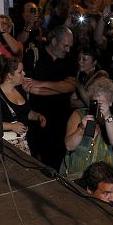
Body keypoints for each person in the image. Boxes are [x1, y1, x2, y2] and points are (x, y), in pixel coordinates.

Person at [22, 25, 76, 170]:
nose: (68, 49)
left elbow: (71, 86)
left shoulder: (69, 59)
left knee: (56, 160)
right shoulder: (33, 55)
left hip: (61, 119)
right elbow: (30, 88)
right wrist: (60, 88)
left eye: (70, 46)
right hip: (37, 118)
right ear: (53, 41)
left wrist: (43, 84)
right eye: (65, 45)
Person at [62, 76, 113, 180]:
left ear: (110, 103)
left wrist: (107, 117)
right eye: (95, 103)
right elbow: (69, 146)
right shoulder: (78, 115)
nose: (99, 107)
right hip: (76, 176)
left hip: (102, 180)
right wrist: (81, 128)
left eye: (102, 104)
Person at [0, 56, 46, 153]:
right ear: (9, 76)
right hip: (7, 145)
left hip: (23, 142)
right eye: (20, 72)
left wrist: (38, 116)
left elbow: (24, 112)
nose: (24, 73)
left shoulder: (20, 90)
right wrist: (11, 126)